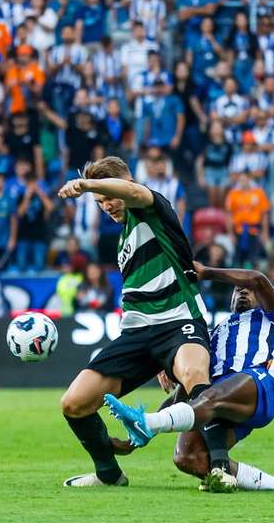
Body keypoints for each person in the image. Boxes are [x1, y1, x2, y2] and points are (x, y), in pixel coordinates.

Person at [56, 156, 212, 487]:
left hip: (179, 320)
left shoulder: (150, 208)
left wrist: (86, 185)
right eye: (99, 203)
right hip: (140, 333)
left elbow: (132, 193)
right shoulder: (124, 239)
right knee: (74, 403)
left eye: (108, 197)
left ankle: (217, 464)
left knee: (195, 374)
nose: (106, 205)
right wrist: (157, 360)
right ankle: (108, 474)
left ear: (125, 184)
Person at [104, 263, 274, 493]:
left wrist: (206, 273)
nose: (244, 290)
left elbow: (257, 279)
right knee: (188, 457)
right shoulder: (212, 334)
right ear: (229, 301)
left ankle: (148, 423)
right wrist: (132, 443)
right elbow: (185, 397)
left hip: (259, 384)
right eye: (238, 289)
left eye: (248, 289)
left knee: (208, 395)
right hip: (218, 399)